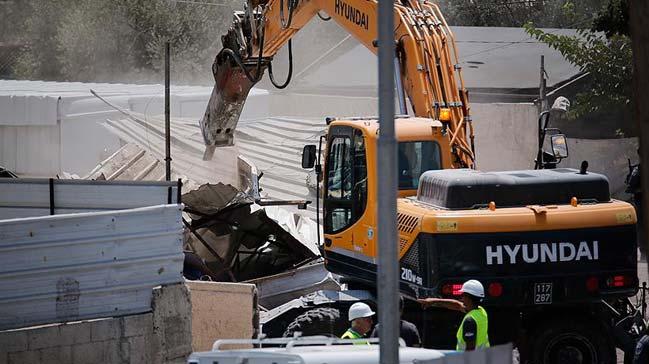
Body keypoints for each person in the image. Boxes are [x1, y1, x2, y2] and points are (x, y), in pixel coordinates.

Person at [418, 279, 490, 351]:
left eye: (463, 295)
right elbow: (457, 305)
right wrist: (433, 301)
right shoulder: (481, 312)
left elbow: (470, 351)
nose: (461, 298)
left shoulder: (470, 321)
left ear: (469, 297)